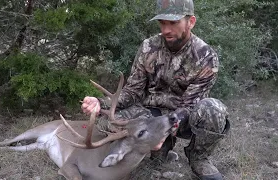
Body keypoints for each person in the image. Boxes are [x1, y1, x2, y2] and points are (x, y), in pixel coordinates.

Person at [81, 0, 230, 179]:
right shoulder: (148, 47)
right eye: (162, 22)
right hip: (150, 115)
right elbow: (132, 91)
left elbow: (190, 106)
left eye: (173, 23)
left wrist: (166, 128)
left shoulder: (205, 56)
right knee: (106, 124)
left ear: (191, 22)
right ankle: (160, 150)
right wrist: (100, 103)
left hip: (184, 119)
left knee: (213, 109)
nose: (166, 30)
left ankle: (198, 158)